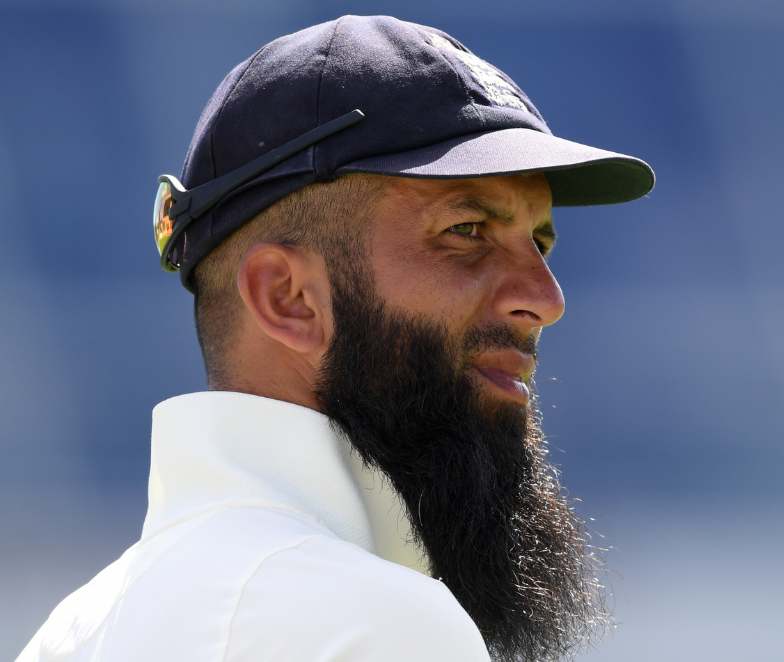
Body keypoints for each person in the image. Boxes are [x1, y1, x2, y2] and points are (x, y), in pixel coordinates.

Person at [17, 15, 653, 662]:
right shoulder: (366, 621)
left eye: (539, 243)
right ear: (287, 298)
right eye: (466, 230)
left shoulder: (77, 629)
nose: (546, 299)